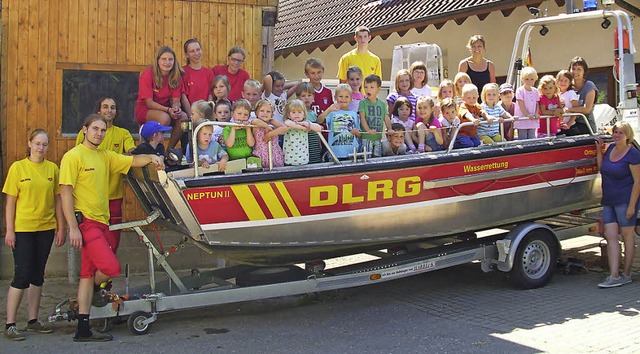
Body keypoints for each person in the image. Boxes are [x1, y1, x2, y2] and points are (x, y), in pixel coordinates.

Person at [60, 114, 164, 342]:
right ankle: (98, 293)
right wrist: (72, 228)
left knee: (87, 276)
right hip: (86, 223)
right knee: (110, 267)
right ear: (84, 129)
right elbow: (65, 193)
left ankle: (83, 329)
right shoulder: (73, 156)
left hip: (102, 222)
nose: (99, 133)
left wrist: (152, 157)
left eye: (103, 130)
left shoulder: (104, 156)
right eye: (95, 129)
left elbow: (132, 161)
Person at [3, 129, 65, 341]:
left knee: (38, 274)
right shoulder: (18, 168)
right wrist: (9, 230)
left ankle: (32, 320)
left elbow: (58, 199)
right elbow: (10, 202)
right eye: (37, 143)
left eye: (45, 144)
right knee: (22, 275)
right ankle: (10, 323)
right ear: (29, 144)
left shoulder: (52, 169)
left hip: (45, 229)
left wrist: (61, 226)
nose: (41, 148)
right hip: (23, 230)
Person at [75, 97, 136, 254]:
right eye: (105, 107)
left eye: (113, 107)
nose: (109, 110)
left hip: (114, 195)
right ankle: (94, 276)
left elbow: (132, 152)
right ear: (98, 110)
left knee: (113, 241)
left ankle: (105, 278)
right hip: (90, 199)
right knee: (92, 244)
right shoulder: (84, 135)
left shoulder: (123, 133)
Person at [595, 121, 640, 288]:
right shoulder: (612, 149)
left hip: (625, 200)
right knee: (610, 235)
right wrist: (599, 152)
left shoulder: (633, 154)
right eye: (615, 132)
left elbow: (638, 182)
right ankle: (613, 276)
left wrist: (632, 206)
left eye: (620, 132)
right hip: (609, 200)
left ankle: (626, 274)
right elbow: (603, 169)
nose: (616, 135)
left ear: (628, 135)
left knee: (627, 237)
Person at [135, 46, 187, 151]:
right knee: (165, 118)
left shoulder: (176, 75)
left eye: (170, 59)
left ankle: (169, 150)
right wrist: (168, 110)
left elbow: (176, 99)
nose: (167, 62)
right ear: (157, 60)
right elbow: (149, 102)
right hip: (147, 110)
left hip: (167, 110)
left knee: (183, 117)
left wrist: (176, 108)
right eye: (164, 59)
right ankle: (156, 149)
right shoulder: (148, 74)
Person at [318, 84, 361, 159]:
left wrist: (357, 132)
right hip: (334, 153)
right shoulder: (332, 112)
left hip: (351, 153)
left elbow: (360, 134)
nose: (343, 99)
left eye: (347, 97)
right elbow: (319, 121)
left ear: (351, 99)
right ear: (335, 98)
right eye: (341, 96)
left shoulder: (354, 114)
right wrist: (328, 109)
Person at [181, 38, 214, 119]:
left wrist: (206, 114)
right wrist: (191, 116)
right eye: (192, 51)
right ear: (187, 55)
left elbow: (211, 95)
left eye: (198, 50)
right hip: (190, 114)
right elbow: (183, 97)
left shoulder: (209, 72)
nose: (196, 53)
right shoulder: (182, 72)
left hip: (205, 115)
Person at [359, 74, 390, 157]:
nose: (368, 90)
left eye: (371, 87)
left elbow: (386, 118)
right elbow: (362, 118)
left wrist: (390, 128)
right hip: (366, 137)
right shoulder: (363, 103)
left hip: (378, 138)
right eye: (366, 87)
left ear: (378, 89)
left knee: (377, 158)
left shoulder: (382, 104)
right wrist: (368, 130)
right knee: (366, 158)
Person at [457, 34, 496, 102]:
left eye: (479, 46)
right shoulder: (464, 64)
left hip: (486, 103)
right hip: (469, 102)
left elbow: (493, 87)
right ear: (470, 48)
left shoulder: (490, 65)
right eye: (473, 46)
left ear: (484, 48)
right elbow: (459, 86)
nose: (476, 49)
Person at [283, 99, 322, 165]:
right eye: (293, 112)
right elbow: (292, 125)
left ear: (304, 114)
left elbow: (319, 128)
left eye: (299, 112)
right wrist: (305, 128)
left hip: (303, 158)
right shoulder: (287, 122)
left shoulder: (306, 123)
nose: (296, 114)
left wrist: (308, 125)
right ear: (289, 115)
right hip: (289, 159)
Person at [565, 57, 597, 135]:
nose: (575, 72)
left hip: (585, 125)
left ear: (584, 72)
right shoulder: (566, 86)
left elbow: (587, 109)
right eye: (573, 69)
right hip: (568, 123)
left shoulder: (589, 86)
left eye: (579, 69)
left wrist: (568, 109)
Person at [252, 99, 286, 168]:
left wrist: (270, 134)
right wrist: (267, 126)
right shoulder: (255, 122)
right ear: (256, 112)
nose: (265, 113)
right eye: (262, 111)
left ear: (272, 114)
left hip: (275, 154)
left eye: (268, 111)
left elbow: (284, 128)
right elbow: (255, 121)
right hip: (260, 154)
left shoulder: (272, 121)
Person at [296, 83, 323, 164]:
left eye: (309, 95)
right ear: (298, 97)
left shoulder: (313, 114)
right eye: (303, 96)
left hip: (314, 145)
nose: (307, 98)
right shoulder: (297, 115)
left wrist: (319, 143)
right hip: (302, 146)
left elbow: (317, 132)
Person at [514, 66, 540, 140]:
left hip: (532, 120)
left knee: (532, 138)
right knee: (523, 139)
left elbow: (537, 104)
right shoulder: (520, 90)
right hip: (523, 119)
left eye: (532, 79)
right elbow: (521, 104)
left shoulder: (535, 91)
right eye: (527, 79)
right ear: (523, 79)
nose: (529, 81)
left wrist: (537, 113)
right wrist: (527, 115)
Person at [454, 83, 484, 149]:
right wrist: (473, 120)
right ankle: (456, 144)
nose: (471, 100)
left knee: (477, 144)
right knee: (469, 144)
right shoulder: (463, 106)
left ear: (477, 97)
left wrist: (488, 117)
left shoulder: (476, 106)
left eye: (474, 98)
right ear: (463, 98)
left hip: (472, 134)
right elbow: (467, 114)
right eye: (469, 98)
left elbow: (482, 112)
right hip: (462, 133)